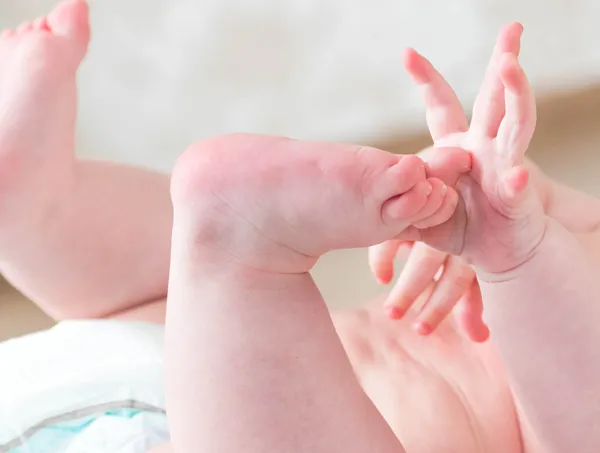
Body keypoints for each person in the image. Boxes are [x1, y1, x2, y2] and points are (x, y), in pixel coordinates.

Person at [0, 1, 598, 452]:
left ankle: (238, 249)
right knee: (176, 273)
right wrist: (495, 191)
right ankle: (40, 207)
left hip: (237, 417)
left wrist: (516, 256)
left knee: (220, 278)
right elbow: (559, 215)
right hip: (182, 364)